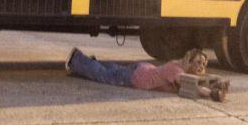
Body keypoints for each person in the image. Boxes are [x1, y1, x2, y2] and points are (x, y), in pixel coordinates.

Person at [65, 47, 228, 101]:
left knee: (112, 69)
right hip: (138, 78)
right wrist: (213, 93)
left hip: (143, 69)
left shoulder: (178, 66)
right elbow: (191, 85)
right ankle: (76, 59)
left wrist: (217, 82)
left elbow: (199, 79)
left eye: (204, 64)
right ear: (189, 61)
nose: (202, 67)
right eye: (198, 62)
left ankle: (88, 63)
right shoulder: (177, 71)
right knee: (104, 75)